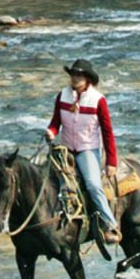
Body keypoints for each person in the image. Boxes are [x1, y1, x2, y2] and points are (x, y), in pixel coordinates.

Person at [46, 59, 123, 247]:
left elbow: (107, 132)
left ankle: (110, 224)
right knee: (44, 178)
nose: (75, 78)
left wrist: (111, 161)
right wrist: (51, 132)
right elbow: (56, 122)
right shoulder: (62, 96)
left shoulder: (98, 100)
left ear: (87, 78)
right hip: (65, 149)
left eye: (79, 75)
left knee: (93, 184)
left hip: (86, 149)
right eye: (73, 75)